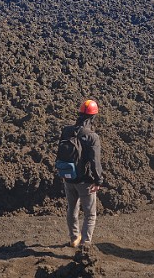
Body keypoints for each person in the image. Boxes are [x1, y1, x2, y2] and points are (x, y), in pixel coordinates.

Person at [57, 99, 104, 252]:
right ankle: (85, 244)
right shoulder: (92, 137)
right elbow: (95, 162)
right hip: (85, 181)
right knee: (90, 214)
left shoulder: (66, 131)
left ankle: (73, 238)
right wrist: (98, 180)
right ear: (93, 117)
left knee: (72, 208)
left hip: (68, 177)